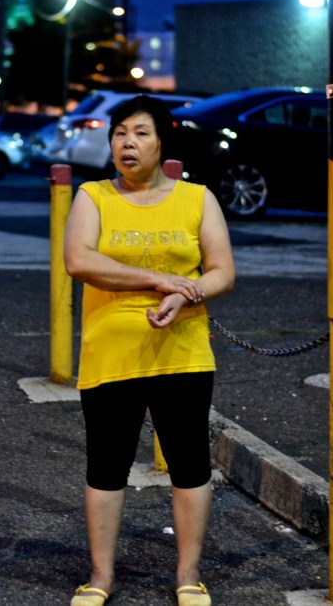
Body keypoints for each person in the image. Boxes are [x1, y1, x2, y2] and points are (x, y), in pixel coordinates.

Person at [63, 95, 235, 606]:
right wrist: (163, 280)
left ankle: (188, 575)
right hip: (111, 351)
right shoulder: (91, 196)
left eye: (139, 133)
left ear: (162, 142)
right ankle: (100, 578)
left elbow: (222, 270)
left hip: (182, 349)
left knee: (190, 464)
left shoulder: (197, 199)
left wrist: (187, 298)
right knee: (106, 466)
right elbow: (78, 260)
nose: (127, 143)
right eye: (119, 133)